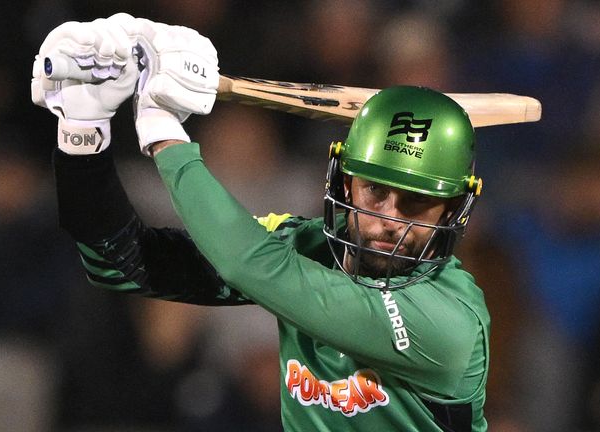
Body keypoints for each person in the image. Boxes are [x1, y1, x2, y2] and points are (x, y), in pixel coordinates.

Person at [32, 15, 492, 431]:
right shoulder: (305, 246)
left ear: (451, 211)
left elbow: (251, 265)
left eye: (414, 204)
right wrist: (83, 133)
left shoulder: (449, 321)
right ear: (345, 184)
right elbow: (121, 262)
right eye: (375, 191)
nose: (386, 219)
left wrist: (163, 129)